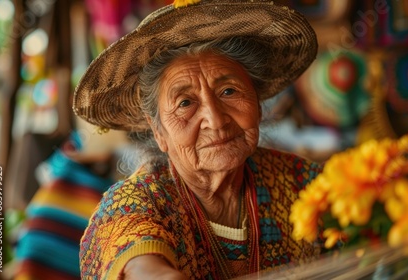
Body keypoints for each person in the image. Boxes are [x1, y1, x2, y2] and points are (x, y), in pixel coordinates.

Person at [73, 0, 323, 279]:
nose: (215, 120)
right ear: (158, 131)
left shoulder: (305, 184)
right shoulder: (136, 203)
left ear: (258, 101)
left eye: (229, 91)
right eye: (185, 103)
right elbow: (137, 258)